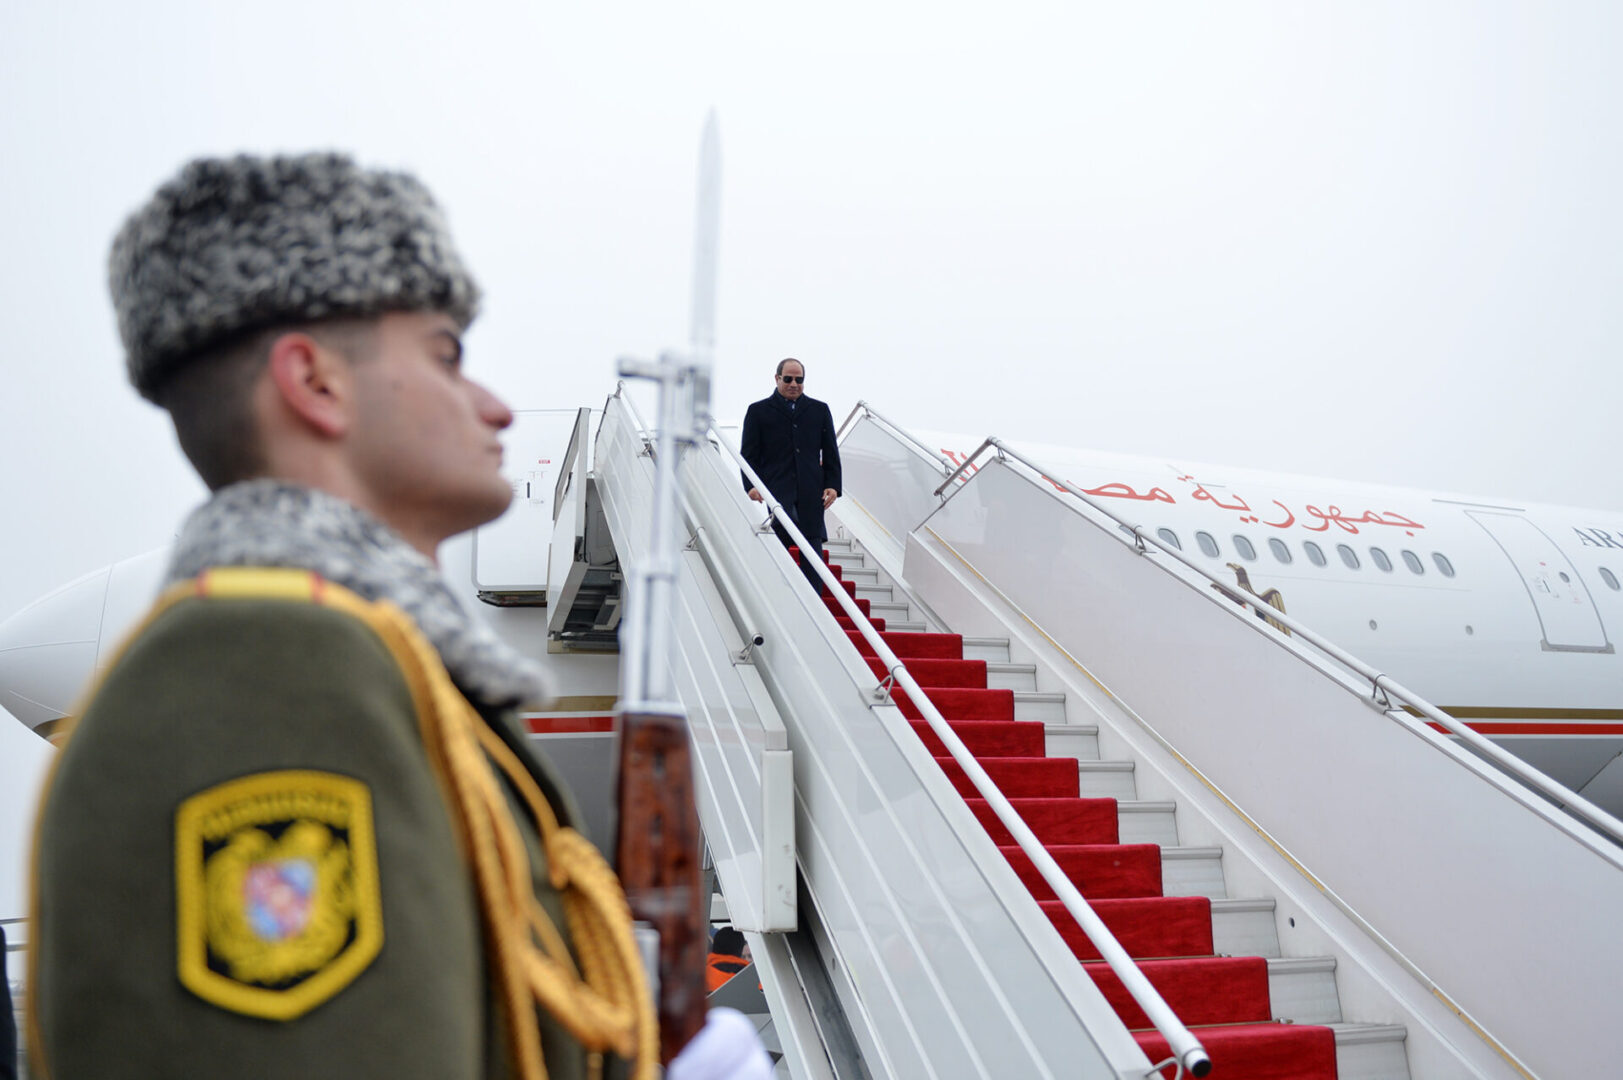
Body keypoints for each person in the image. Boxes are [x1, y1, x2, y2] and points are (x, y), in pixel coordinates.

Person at [27, 153, 768, 1080]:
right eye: (446, 356)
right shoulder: (269, 686)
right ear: (315, 383)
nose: (494, 405)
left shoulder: (370, 674)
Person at [740, 358, 842, 588]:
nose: (794, 384)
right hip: (777, 494)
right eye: (788, 379)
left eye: (799, 379)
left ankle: (816, 615)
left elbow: (830, 451)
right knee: (778, 559)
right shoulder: (758, 411)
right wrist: (750, 485)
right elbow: (748, 455)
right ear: (776, 379)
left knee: (813, 564)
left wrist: (833, 485)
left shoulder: (819, 410)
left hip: (811, 495)